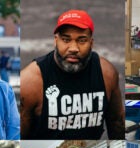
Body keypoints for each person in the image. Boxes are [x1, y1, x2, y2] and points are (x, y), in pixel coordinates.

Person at [20, 10, 124, 139]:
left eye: (82, 40)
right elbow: (20, 134)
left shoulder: (107, 73)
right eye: (66, 39)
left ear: (91, 43)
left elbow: (116, 122)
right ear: (56, 41)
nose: (73, 48)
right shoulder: (31, 80)